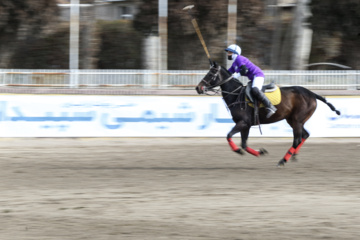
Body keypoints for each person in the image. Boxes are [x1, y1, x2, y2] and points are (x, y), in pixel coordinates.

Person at [225, 44, 277, 118]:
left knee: (255, 89)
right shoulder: (234, 63)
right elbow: (227, 74)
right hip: (253, 78)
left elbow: (244, 70)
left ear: (234, 53)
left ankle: (270, 107)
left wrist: (236, 76)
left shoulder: (239, 58)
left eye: (229, 52)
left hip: (258, 75)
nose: (228, 54)